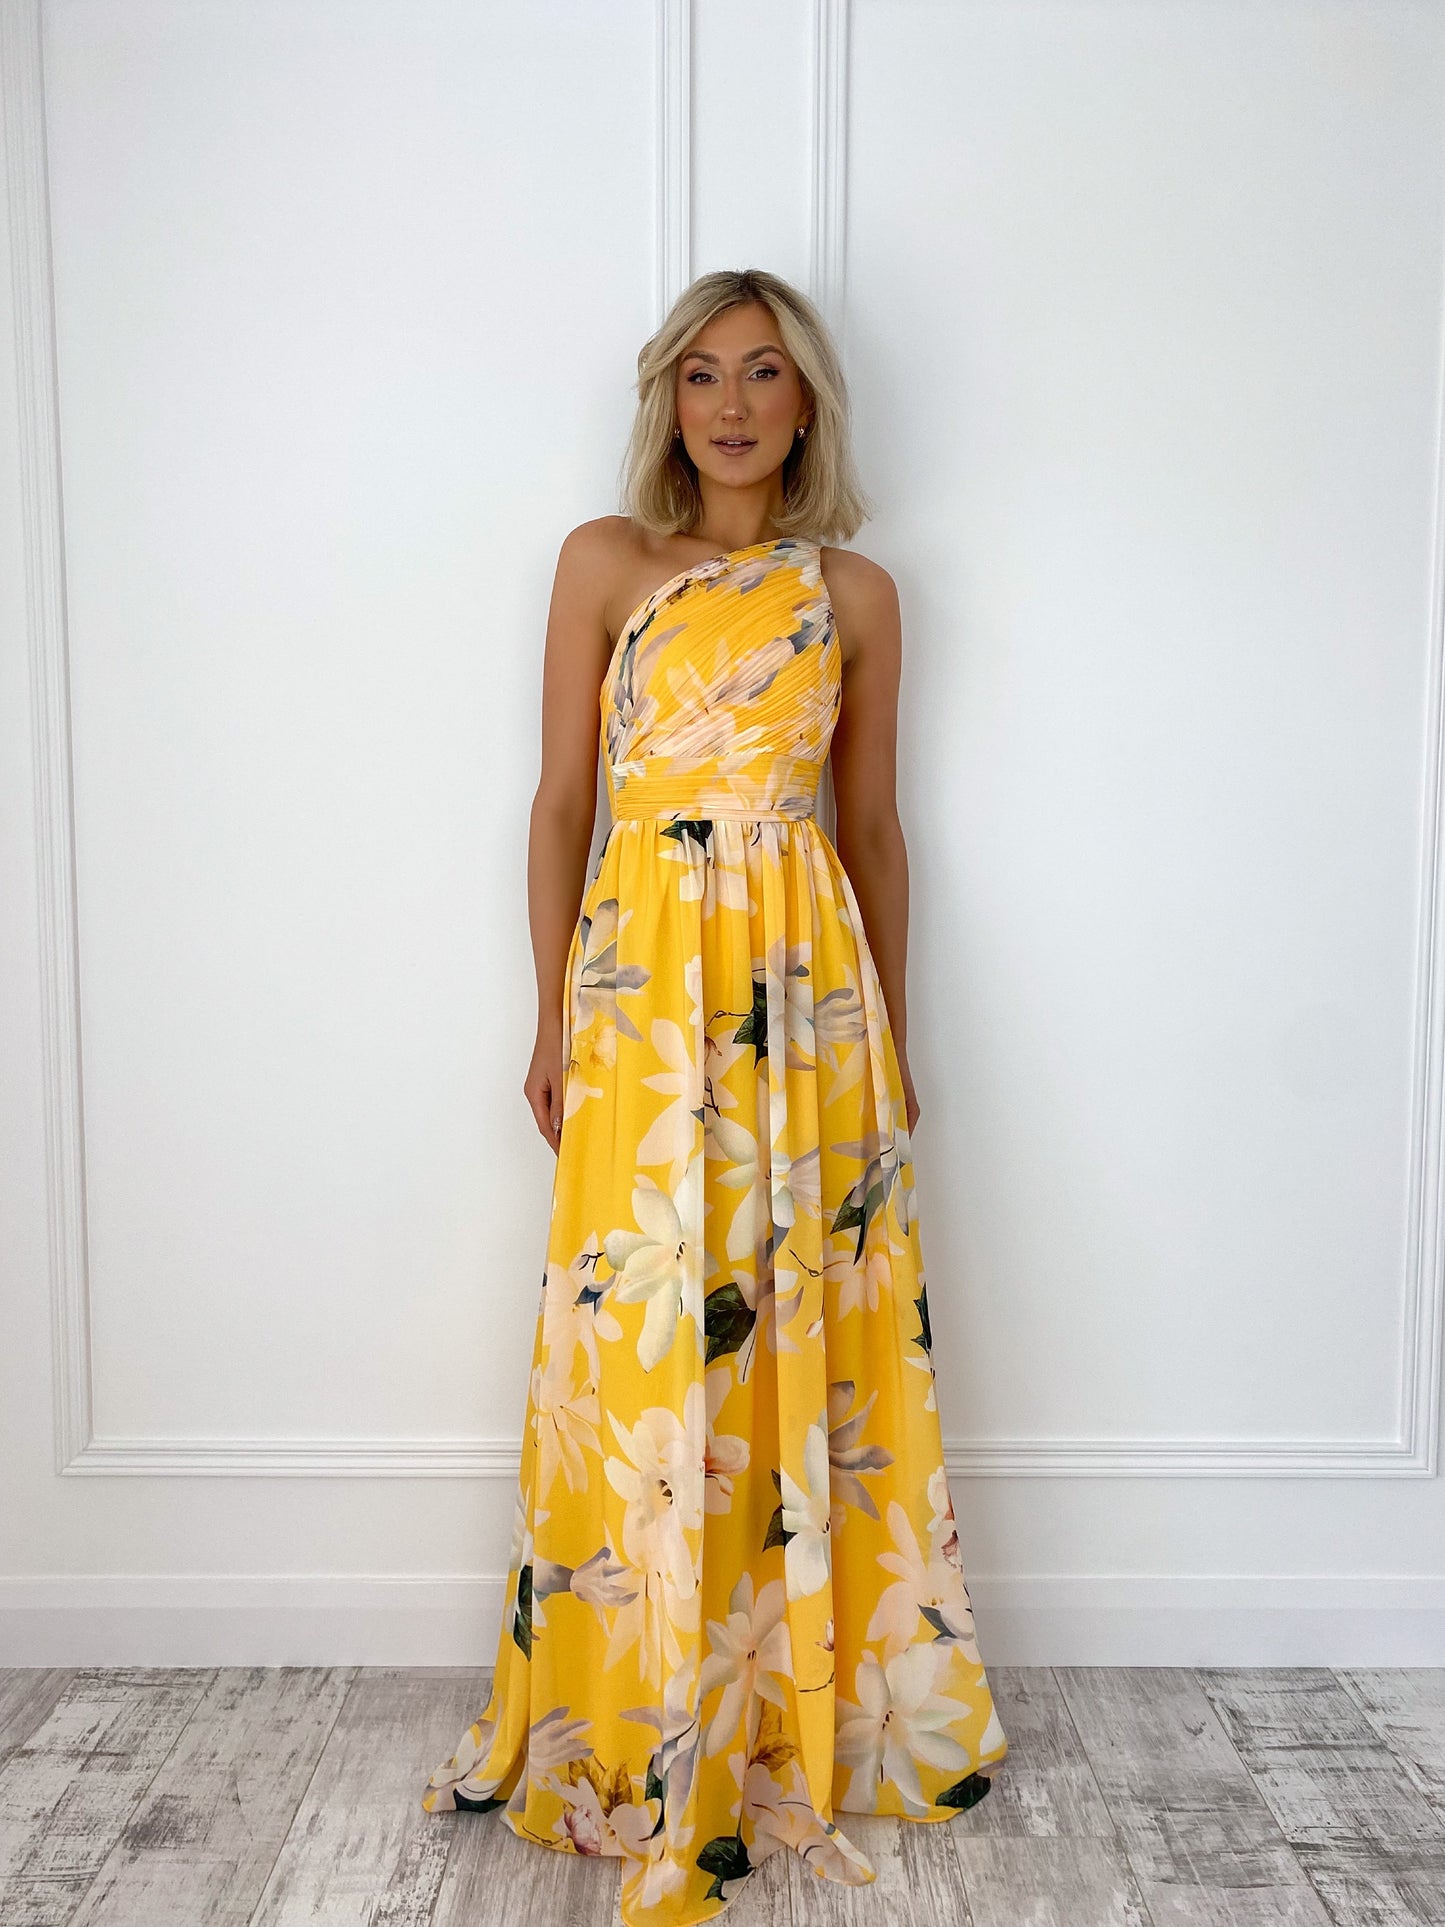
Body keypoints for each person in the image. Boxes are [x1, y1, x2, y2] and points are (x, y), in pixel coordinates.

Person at [421, 266, 1007, 1926]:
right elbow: (556, 809)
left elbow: (873, 830)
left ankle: (783, 1705)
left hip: (803, 999)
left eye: (762, 374)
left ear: (806, 401)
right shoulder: (600, 566)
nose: (731, 405)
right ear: (664, 401)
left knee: (798, 1328)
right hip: (640, 991)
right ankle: (632, 1703)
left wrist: (886, 1029)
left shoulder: (858, 591)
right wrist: (555, 1014)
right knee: (636, 1329)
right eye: (698, 376)